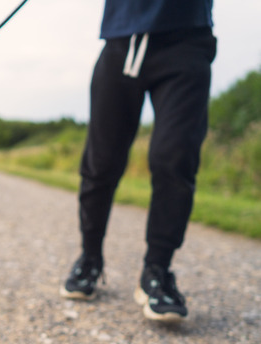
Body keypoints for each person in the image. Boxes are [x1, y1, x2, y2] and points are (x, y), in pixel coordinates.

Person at [60, 0, 217, 323]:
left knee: (174, 156)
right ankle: (89, 258)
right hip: (121, 40)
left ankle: (157, 271)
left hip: (186, 40)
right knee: (101, 162)